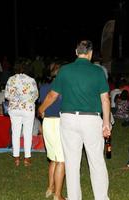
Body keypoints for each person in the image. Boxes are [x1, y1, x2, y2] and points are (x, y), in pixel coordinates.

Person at [38, 40, 111, 200]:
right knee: (97, 161)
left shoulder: (64, 70)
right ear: (90, 54)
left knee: (71, 163)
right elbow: (105, 99)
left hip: (68, 119)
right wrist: (106, 122)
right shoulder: (97, 71)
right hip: (91, 120)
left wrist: (41, 109)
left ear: (76, 52)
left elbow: (52, 95)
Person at [39, 63, 66, 200]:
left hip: (48, 122)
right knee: (62, 160)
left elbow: (41, 106)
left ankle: (50, 188)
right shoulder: (64, 88)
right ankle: (58, 195)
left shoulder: (43, 87)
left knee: (53, 158)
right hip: (59, 123)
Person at [5, 62, 39, 167]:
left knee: (15, 133)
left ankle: (16, 158)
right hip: (27, 109)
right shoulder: (31, 80)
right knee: (27, 133)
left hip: (14, 109)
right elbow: (36, 95)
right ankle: (27, 159)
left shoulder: (11, 79)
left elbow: (6, 95)